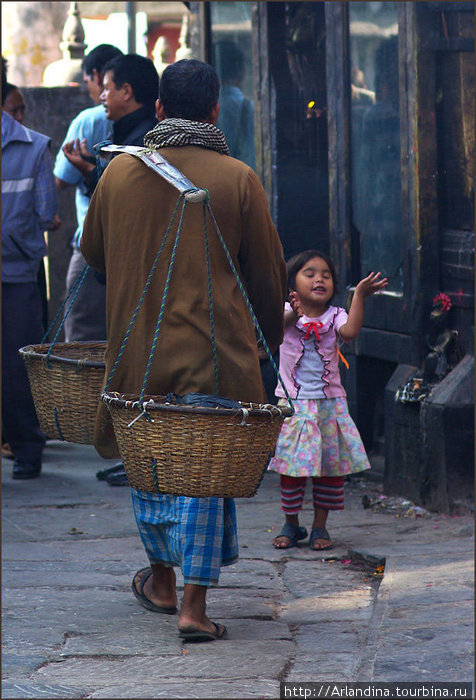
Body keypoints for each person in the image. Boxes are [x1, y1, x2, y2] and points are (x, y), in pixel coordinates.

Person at [81, 59, 287, 641]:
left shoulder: (118, 176)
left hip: (136, 351)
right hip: (216, 353)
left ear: (161, 110)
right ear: (216, 111)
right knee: (202, 474)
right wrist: (267, 346)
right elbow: (268, 278)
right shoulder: (238, 178)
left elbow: (93, 257)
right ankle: (191, 605)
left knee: (151, 465)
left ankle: (163, 581)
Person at [269, 250, 388, 550]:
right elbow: (272, 330)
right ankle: (291, 523)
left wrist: (358, 294)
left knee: (329, 469)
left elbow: (351, 331)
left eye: (326, 275)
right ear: (293, 284)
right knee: (291, 469)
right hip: (293, 406)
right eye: (310, 273)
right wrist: (293, 314)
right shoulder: (284, 312)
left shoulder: (336, 316)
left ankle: (320, 527)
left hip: (329, 407)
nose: (319, 279)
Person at [2, 57, 58, 479]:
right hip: (18, 272)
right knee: (18, 364)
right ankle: (25, 450)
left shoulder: (35, 145)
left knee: (19, 365)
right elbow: (45, 214)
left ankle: (25, 446)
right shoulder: (37, 147)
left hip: (17, 274)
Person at [54, 44, 123, 344]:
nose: (99, 95)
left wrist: (86, 170)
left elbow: (59, 180)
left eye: (92, 84)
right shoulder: (147, 120)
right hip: (134, 244)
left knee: (82, 336)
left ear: (97, 76)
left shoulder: (88, 120)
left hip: (93, 242)